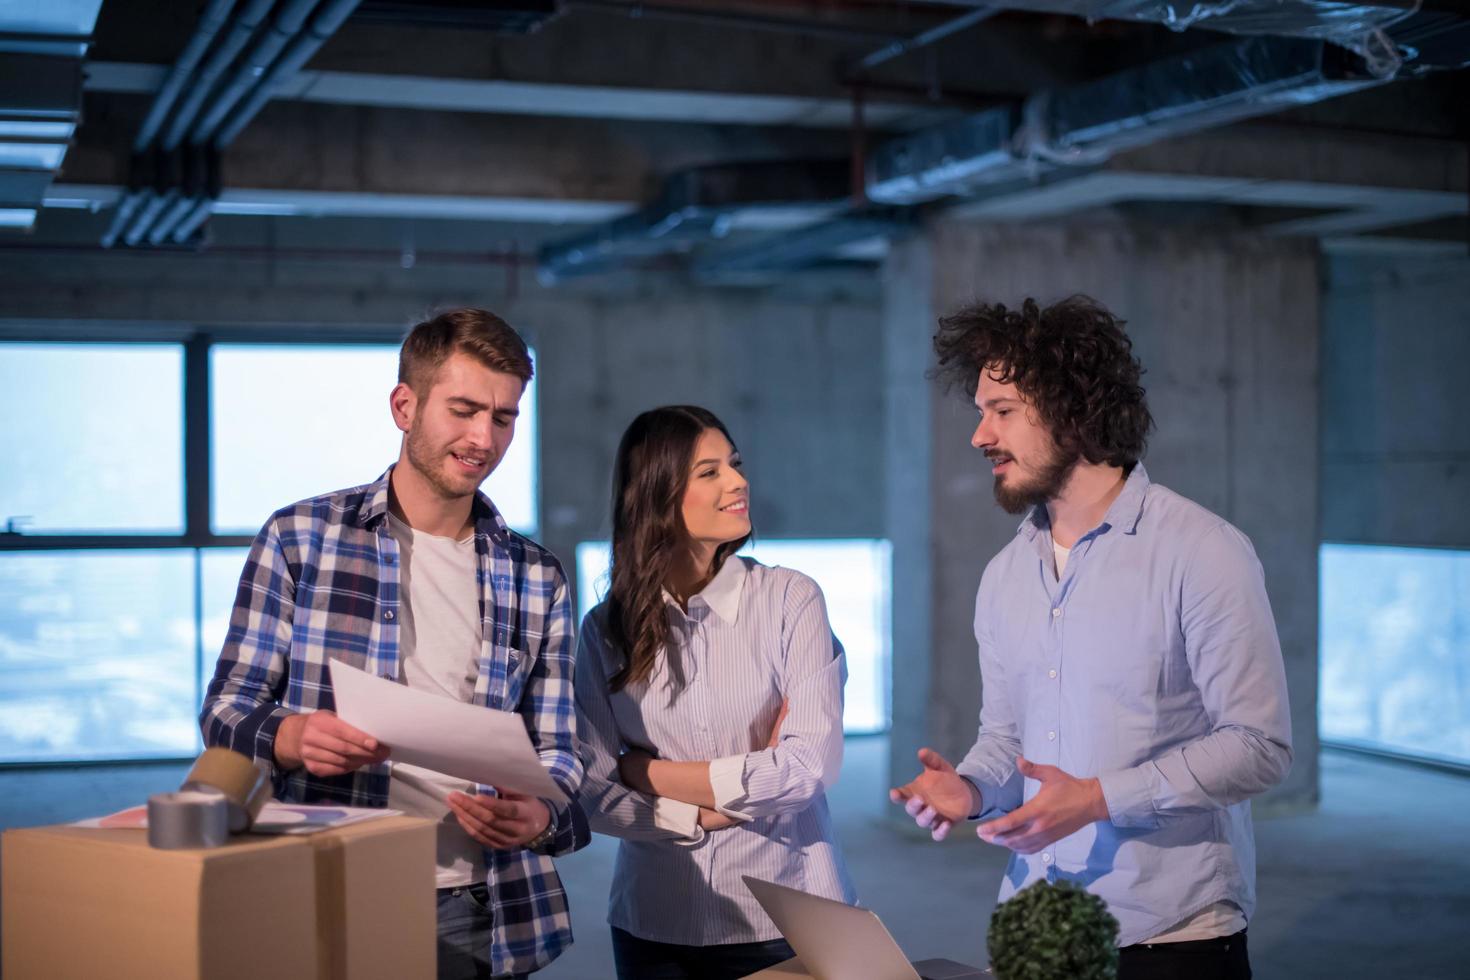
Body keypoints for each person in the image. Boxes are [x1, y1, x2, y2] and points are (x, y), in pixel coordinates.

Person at [891, 296, 1292, 980]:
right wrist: (970, 788)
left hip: (1170, 938)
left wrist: (1100, 798)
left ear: (1073, 413)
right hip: (1036, 932)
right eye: (981, 412)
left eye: (1003, 411)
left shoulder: (1203, 551)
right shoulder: (1005, 574)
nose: (979, 436)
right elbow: (1009, 740)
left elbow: (1260, 747)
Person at [201, 308, 584, 980]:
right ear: (404, 406)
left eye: (503, 417)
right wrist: (292, 737)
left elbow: (557, 747)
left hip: (477, 899)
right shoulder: (301, 537)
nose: (482, 438)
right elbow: (228, 706)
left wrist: (541, 809)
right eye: (463, 409)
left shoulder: (536, 576)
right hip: (328, 875)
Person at [575, 405, 855, 980]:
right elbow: (589, 791)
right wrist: (698, 817)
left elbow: (806, 769)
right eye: (710, 472)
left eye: (735, 464)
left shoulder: (790, 599)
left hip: (786, 917)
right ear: (656, 495)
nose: (738, 481)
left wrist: (647, 775)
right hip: (652, 924)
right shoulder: (604, 630)